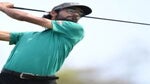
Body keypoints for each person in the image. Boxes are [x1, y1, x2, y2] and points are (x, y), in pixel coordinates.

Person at [0, 2, 92, 84]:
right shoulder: (27, 35)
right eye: (71, 11)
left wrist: (3, 7)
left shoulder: (75, 29)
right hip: (8, 78)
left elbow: (23, 16)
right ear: (53, 13)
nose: (76, 14)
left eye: (80, 14)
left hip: (42, 81)